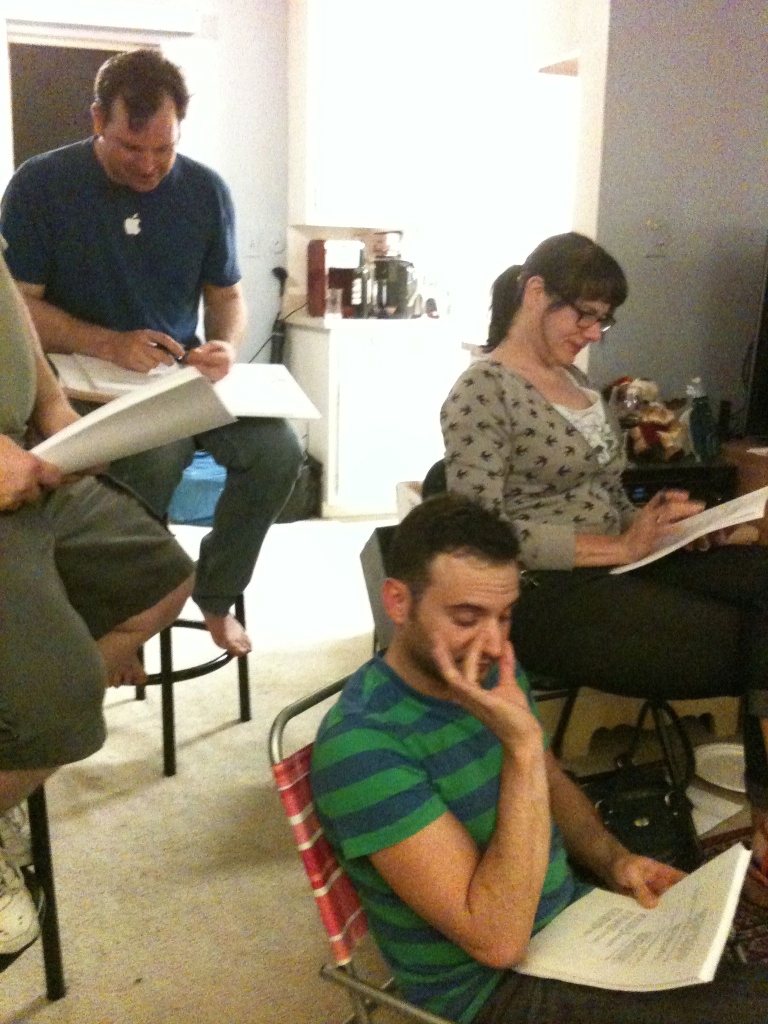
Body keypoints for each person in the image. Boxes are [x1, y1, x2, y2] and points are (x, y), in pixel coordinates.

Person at [311, 495, 768, 1024]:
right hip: (493, 992)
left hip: (572, 928)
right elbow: (498, 942)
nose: (490, 644)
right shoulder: (362, 749)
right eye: (465, 617)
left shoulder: (487, 674)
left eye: (504, 617)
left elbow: (549, 782)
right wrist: (523, 746)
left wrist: (613, 859)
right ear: (397, 601)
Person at [440, 231, 768, 902]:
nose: (592, 332)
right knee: (747, 642)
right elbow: (478, 531)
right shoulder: (482, 389)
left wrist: (667, 524)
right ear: (535, 293)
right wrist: (617, 548)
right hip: (549, 592)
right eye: (582, 314)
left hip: (627, 561)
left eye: (602, 319)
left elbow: (611, 500)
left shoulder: (579, 386)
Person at [0, 48, 302, 657]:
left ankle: (214, 595)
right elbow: (16, 309)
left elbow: (229, 295)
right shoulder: (39, 184)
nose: (149, 166)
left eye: (163, 149)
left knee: (278, 453)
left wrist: (226, 346)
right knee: (156, 459)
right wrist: (108, 342)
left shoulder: (205, 190)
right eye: (131, 149)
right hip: (83, 387)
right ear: (96, 122)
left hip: (177, 378)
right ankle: (133, 606)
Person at [0, 243, 195, 954]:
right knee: (64, 704)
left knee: (164, 576)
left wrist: (58, 416)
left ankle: (12, 754)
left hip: (30, 469)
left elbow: (16, 335)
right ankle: (35, 723)